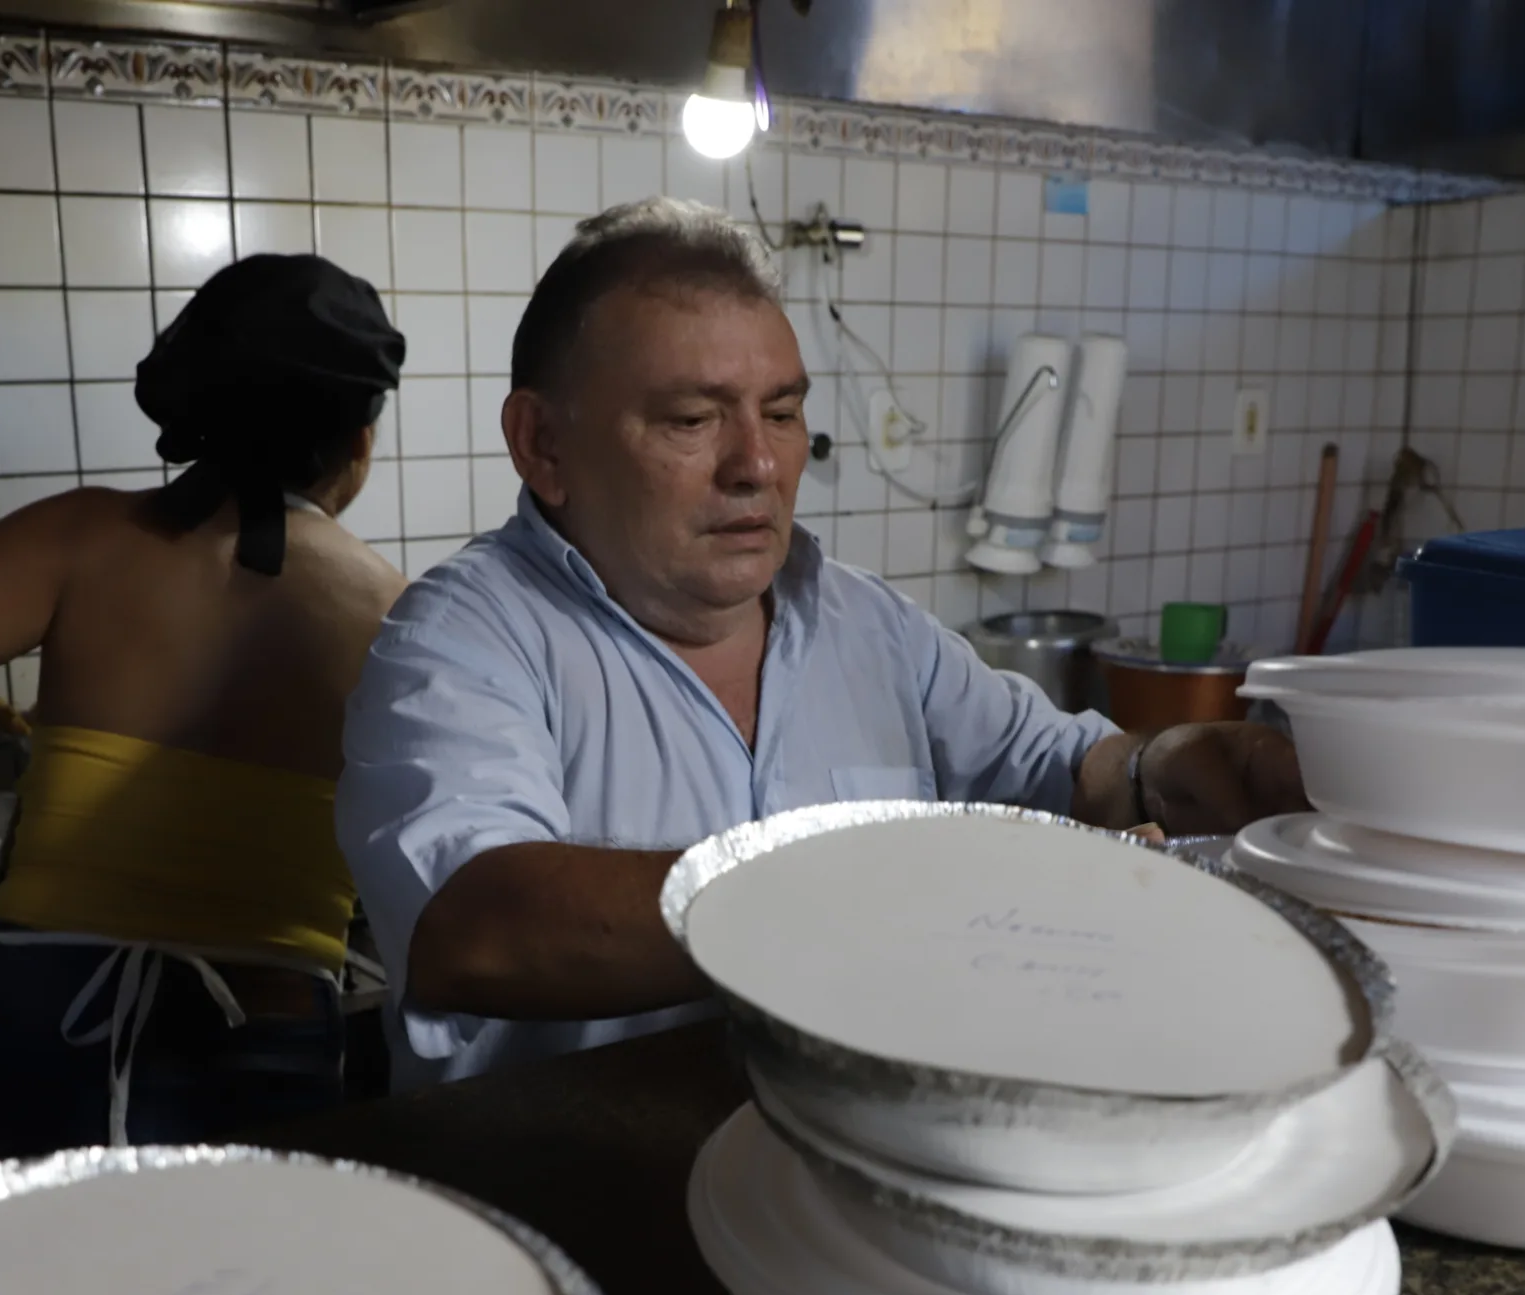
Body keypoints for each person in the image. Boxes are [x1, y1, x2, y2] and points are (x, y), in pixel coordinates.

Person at [335, 198, 1308, 1089]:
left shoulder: (864, 624)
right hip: (578, 1195)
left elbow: (1070, 772)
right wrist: (883, 889)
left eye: (784, 413)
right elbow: (479, 925)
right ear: (543, 445)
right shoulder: (463, 638)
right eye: (691, 418)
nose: (756, 465)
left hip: (863, 1163)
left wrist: (1183, 766)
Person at [0, 254, 407, 1166]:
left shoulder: (87, 538)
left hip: (44, 1026)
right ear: (360, 443)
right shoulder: (397, 613)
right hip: (267, 1026)